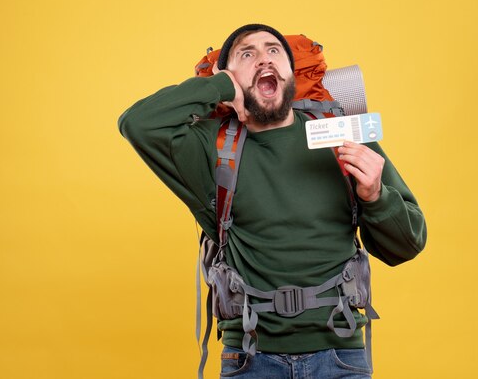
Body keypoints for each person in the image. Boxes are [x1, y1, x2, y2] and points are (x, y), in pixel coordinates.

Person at [118, 24, 426, 379]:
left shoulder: (341, 131)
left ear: (290, 73)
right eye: (247, 54)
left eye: (274, 50)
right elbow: (137, 124)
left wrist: (376, 197)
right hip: (249, 359)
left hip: (341, 356)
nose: (264, 58)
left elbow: (407, 245)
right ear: (230, 74)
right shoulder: (210, 148)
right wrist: (219, 86)